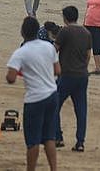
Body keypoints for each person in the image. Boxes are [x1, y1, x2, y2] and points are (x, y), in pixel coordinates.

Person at [6, 17, 60, 171]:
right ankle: (53, 169)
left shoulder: (21, 52)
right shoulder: (49, 47)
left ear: (23, 32)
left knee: (33, 140)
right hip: (52, 94)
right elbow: (58, 70)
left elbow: (11, 78)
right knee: (49, 136)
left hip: (35, 98)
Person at [55, 6, 92, 152]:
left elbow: (54, 49)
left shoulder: (65, 31)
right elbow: (88, 55)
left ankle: (58, 137)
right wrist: (82, 66)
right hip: (82, 75)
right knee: (81, 110)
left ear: (65, 17)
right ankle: (80, 142)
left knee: (55, 106)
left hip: (67, 74)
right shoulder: (86, 32)